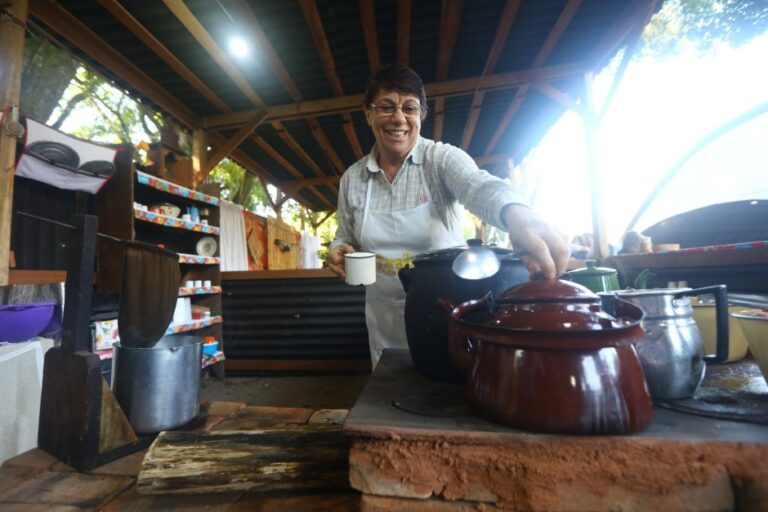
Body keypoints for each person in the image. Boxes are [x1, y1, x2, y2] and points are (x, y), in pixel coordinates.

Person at [327, 64, 570, 367]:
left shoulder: (440, 159)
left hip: (444, 308)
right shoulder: (353, 178)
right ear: (368, 114)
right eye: (386, 107)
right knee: (389, 385)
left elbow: (478, 185)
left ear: (421, 115)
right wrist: (337, 248)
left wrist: (520, 218)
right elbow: (345, 234)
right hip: (383, 315)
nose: (399, 118)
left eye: (409, 108)